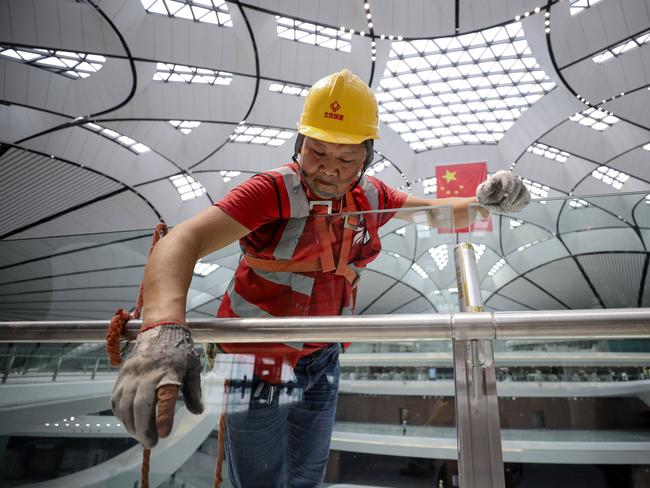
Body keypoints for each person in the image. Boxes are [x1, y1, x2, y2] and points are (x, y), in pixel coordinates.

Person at [111, 69, 530, 487]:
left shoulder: (371, 196)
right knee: (258, 481)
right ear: (299, 144)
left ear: (366, 158)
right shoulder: (272, 190)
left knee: (307, 477)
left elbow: (435, 211)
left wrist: (486, 201)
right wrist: (162, 331)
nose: (328, 170)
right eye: (316, 152)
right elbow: (182, 240)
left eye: (346, 158)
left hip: (323, 360)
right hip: (258, 364)